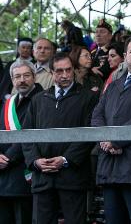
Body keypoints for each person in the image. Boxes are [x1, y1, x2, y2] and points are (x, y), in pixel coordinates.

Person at [22, 52, 99, 224]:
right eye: (59, 71)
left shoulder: (89, 98)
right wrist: (35, 161)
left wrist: (65, 159)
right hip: (43, 177)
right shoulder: (38, 100)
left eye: (68, 70)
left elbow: (89, 134)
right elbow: (26, 135)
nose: (64, 75)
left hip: (73, 177)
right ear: (51, 73)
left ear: (74, 70)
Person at [91, 36, 131, 224]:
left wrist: (115, 139)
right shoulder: (113, 85)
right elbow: (97, 115)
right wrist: (104, 140)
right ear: (125, 56)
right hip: (109, 167)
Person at [0, 60, 44, 224]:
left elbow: (28, 137)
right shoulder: (8, 103)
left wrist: (7, 159)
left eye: (26, 75)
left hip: (25, 178)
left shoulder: (42, 100)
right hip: (3, 180)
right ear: (12, 80)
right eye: (17, 76)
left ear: (34, 76)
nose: (22, 80)